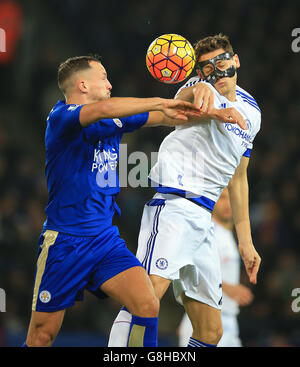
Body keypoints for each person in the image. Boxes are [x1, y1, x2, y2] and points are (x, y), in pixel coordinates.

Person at [22, 54, 208, 347]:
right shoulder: (61, 118)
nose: (110, 83)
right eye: (103, 77)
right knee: (41, 336)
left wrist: (198, 92)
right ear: (82, 84)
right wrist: (159, 100)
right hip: (65, 242)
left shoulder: (112, 118)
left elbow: (169, 114)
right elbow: (108, 108)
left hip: (105, 240)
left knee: (147, 304)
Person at [108, 33, 261, 348]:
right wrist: (201, 89)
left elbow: (239, 177)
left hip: (204, 220)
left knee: (210, 331)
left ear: (236, 61)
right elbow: (195, 96)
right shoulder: (195, 90)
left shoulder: (252, 111)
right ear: (198, 72)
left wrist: (246, 243)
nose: (216, 72)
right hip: (175, 207)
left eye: (221, 62)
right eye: (206, 68)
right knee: (145, 298)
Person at [178, 188, 254, 347]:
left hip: (229, 320)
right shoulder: (204, 230)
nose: (227, 204)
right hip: (203, 321)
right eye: (222, 198)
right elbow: (186, 270)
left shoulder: (229, 235)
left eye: (230, 198)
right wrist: (227, 287)